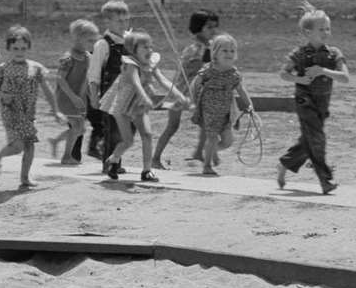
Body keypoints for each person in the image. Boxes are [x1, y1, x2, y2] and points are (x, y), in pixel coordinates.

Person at [276, 3, 350, 194]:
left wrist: (323, 71)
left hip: (322, 104)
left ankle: (285, 163)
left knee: (309, 140)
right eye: (321, 29)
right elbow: (283, 73)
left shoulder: (334, 54)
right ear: (308, 32)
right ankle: (325, 180)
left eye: (328, 28)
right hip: (304, 102)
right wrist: (299, 78)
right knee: (317, 139)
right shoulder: (299, 54)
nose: (326, 32)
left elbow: (345, 78)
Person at [98, 30, 187, 181]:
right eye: (145, 47)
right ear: (133, 50)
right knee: (128, 141)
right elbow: (135, 81)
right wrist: (144, 95)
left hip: (138, 106)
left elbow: (163, 80)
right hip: (124, 107)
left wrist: (179, 95)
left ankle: (147, 171)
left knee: (147, 135)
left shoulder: (150, 64)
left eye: (150, 47)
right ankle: (113, 159)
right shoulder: (130, 64)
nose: (149, 50)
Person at [0, 25, 63, 188]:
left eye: (23, 48)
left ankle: (24, 178)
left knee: (29, 145)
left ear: (28, 47)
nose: (19, 51)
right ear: (9, 48)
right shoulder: (3, 69)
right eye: (15, 48)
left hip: (29, 113)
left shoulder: (35, 68)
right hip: (11, 111)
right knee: (18, 146)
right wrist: (3, 95)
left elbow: (48, 90)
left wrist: (56, 110)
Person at [155, 9, 219, 169]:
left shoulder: (210, 46)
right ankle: (155, 158)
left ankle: (199, 151)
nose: (214, 31)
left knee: (207, 122)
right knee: (172, 126)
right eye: (209, 27)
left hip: (197, 92)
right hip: (182, 92)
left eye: (214, 27)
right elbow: (197, 67)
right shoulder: (195, 48)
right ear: (199, 28)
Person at [188, 33, 254, 177]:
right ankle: (207, 166)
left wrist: (249, 106)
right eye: (224, 50)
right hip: (208, 110)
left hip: (225, 112)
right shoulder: (208, 70)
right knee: (211, 137)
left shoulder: (234, 74)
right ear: (215, 53)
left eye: (232, 51)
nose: (229, 54)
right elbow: (195, 85)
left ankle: (210, 151)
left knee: (228, 141)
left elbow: (241, 90)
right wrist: (193, 103)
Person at [85, 0, 132, 168]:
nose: (124, 23)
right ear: (107, 21)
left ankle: (115, 159)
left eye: (127, 19)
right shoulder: (103, 44)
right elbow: (94, 73)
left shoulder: (130, 40)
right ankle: (110, 164)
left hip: (130, 92)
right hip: (110, 94)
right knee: (113, 130)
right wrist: (93, 95)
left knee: (128, 129)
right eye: (119, 20)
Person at [53, 18, 99, 165]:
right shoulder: (68, 58)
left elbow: (87, 80)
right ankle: (66, 156)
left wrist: (91, 97)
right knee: (78, 127)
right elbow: (60, 78)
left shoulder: (88, 57)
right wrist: (73, 97)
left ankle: (59, 145)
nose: (93, 44)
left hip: (80, 99)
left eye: (94, 41)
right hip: (67, 98)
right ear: (78, 39)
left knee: (80, 129)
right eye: (90, 41)